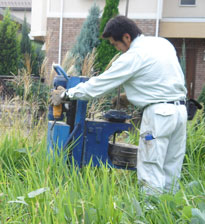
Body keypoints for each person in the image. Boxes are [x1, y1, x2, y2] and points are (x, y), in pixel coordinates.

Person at [51, 15, 187, 195]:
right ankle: (170, 215)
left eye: (116, 44)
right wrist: (130, 96)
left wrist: (66, 94)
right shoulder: (162, 44)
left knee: (150, 168)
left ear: (126, 37)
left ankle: (150, 216)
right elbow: (161, 78)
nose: (117, 49)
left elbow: (98, 86)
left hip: (158, 116)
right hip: (180, 113)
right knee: (172, 169)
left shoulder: (133, 56)